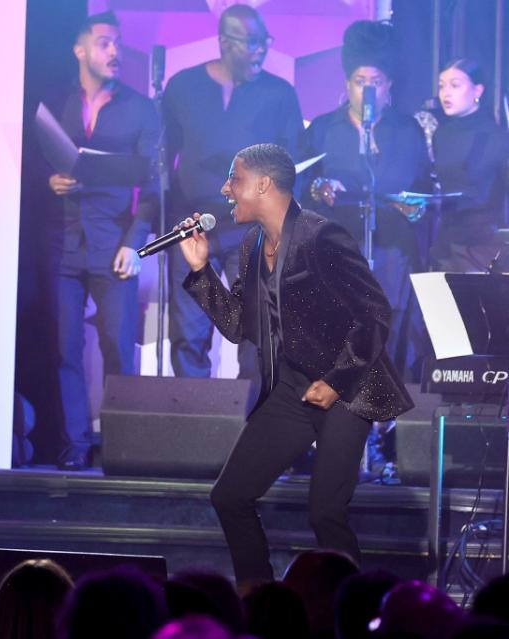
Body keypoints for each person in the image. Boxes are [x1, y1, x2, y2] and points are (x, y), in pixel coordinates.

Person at [176, 143, 413, 588]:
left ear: (263, 184)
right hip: (291, 389)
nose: (226, 189)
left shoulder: (322, 236)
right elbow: (236, 324)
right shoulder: (252, 246)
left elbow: (375, 312)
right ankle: (260, 599)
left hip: (348, 386)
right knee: (230, 496)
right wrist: (201, 271)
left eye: (235, 179)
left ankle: (349, 611)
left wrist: (338, 381)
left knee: (326, 512)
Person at [44, 11, 160, 470]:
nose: (115, 52)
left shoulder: (140, 107)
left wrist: (134, 242)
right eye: (105, 43)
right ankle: (74, 447)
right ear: (80, 50)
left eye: (118, 44)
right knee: (65, 350)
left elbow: (153, 187)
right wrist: (47, 182)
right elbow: (32, 165)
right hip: (63, 244)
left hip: (115, 244)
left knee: (117, 347)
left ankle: (121, 448)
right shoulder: (56, 101)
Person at [163, 3, 304, 379]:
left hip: (252, 230)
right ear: (225, 42)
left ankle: (250, 431)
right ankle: (194, 428)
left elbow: (295, 164)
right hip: (193, 225)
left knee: (257, 336)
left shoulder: (279, 94)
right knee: (188, 333)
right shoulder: (182, 86)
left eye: (264, 41)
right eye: (252, 42)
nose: (261, 49)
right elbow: (163, 154)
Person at [301, 20, 430, 380]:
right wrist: (318, 189)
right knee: (338, 327)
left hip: (391, 248)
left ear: (388, 86)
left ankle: (382, 419)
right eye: (360, 82)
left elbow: (421, 186)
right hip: (337, 247)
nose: (367, 91)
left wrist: (412, 205)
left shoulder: (408, 130)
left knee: (387, 327)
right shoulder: (324, 128)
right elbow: (301, 183)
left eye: (375, 83)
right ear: (347, 84)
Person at [429, 58, 509, 272]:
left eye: (455, 85)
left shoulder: (497, 138)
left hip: (483, 247)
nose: (446, 93)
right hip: (447, 242)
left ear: (478, 90)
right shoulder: (441, 134)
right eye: (442, 85)